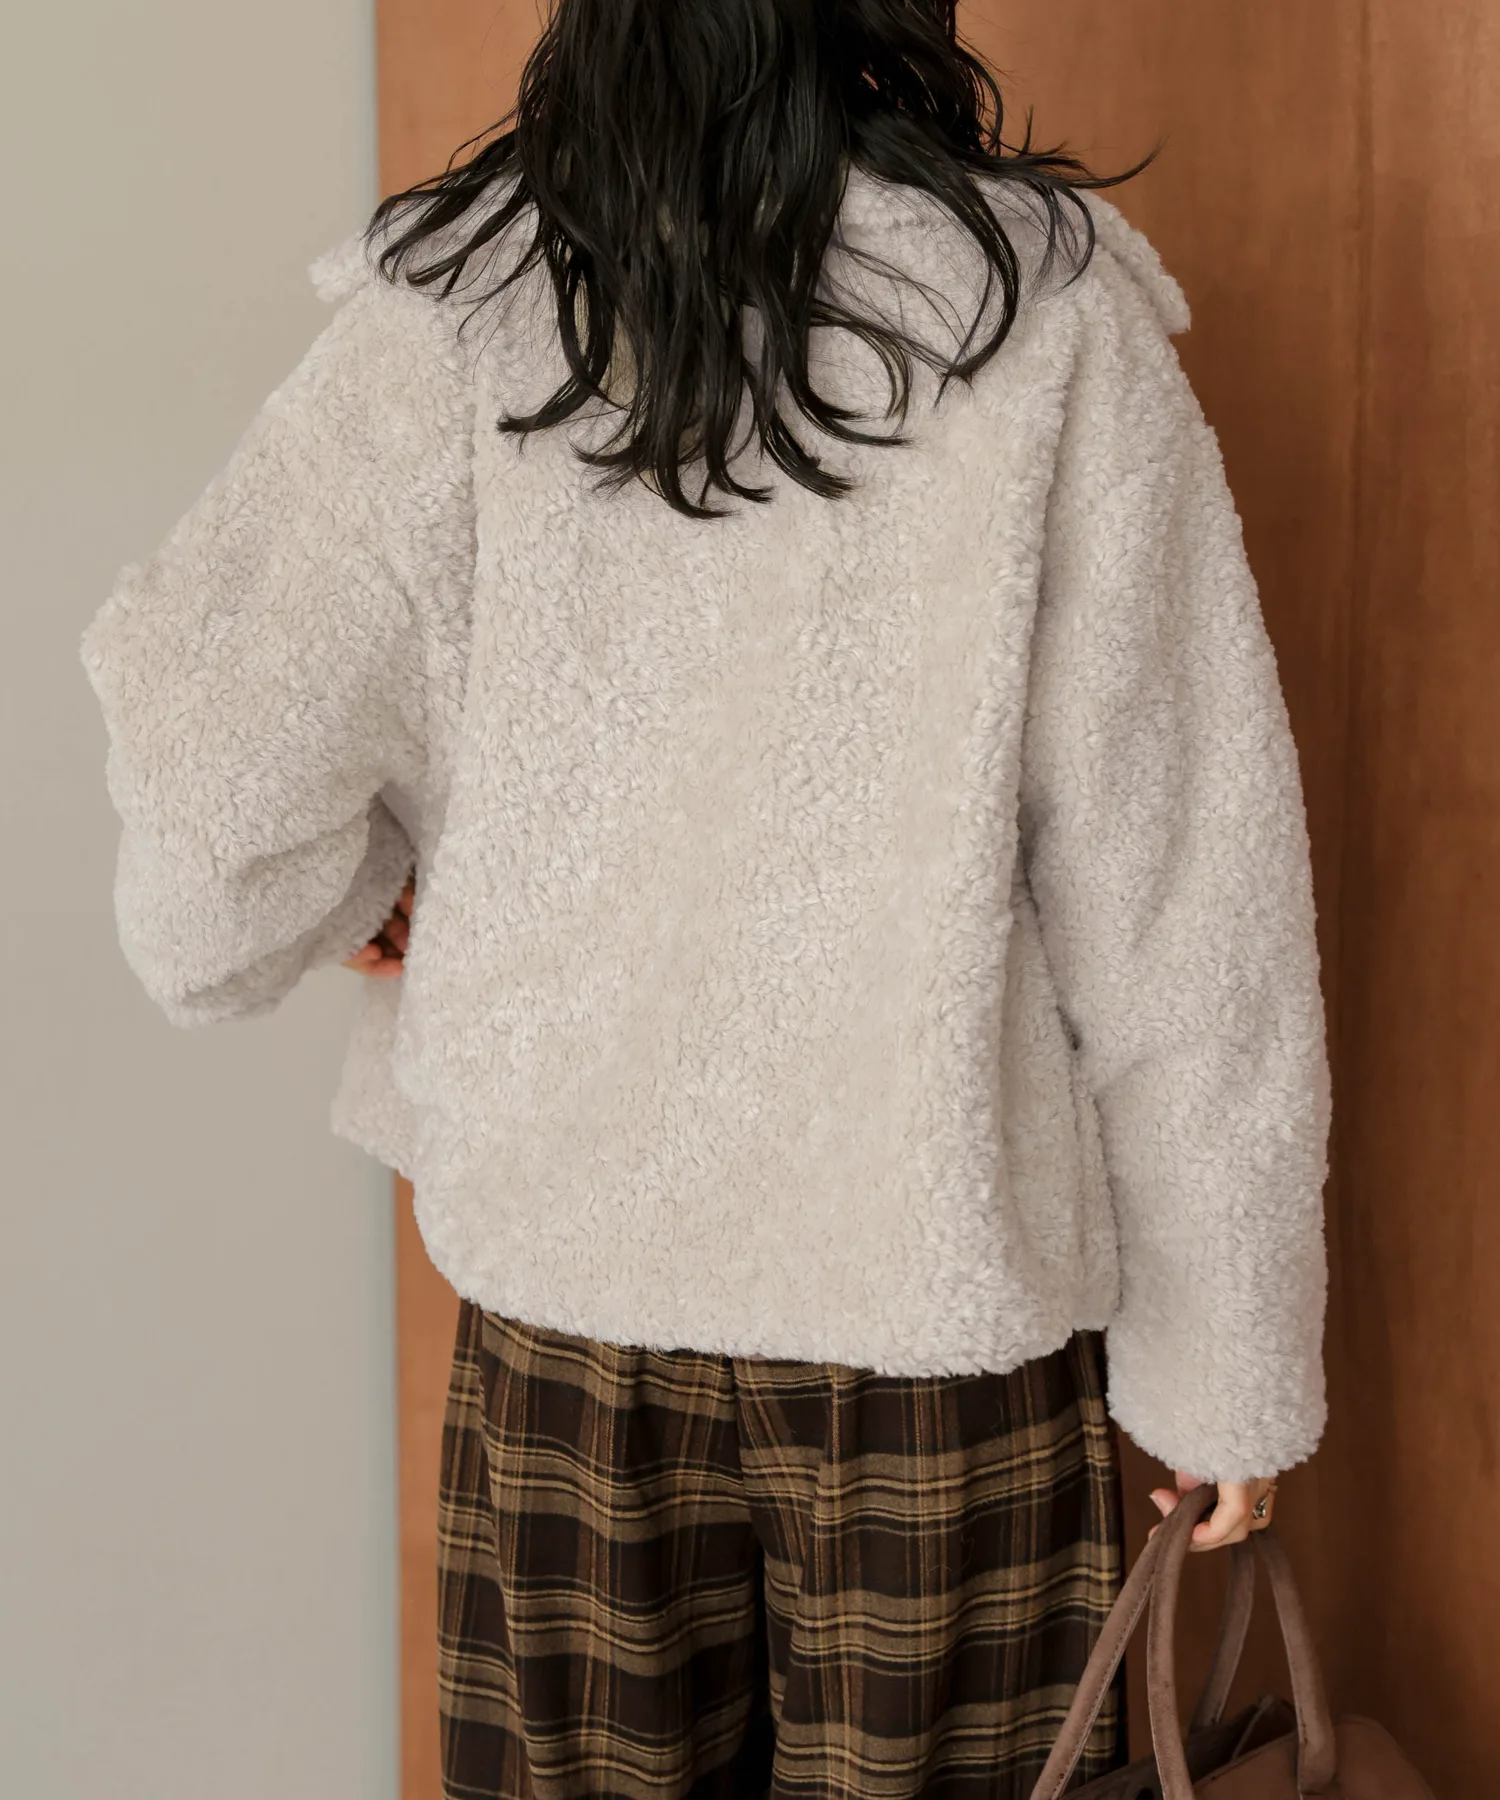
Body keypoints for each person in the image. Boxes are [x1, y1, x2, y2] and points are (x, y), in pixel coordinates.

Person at [78, 0, 1332, 1794]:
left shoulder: (456, 308)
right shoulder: (1042, 319)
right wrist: (1225, 1371)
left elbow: (213, 808)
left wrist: (358, 889)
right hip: (930, 1325)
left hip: (568, 1320)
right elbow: (1188, 897)